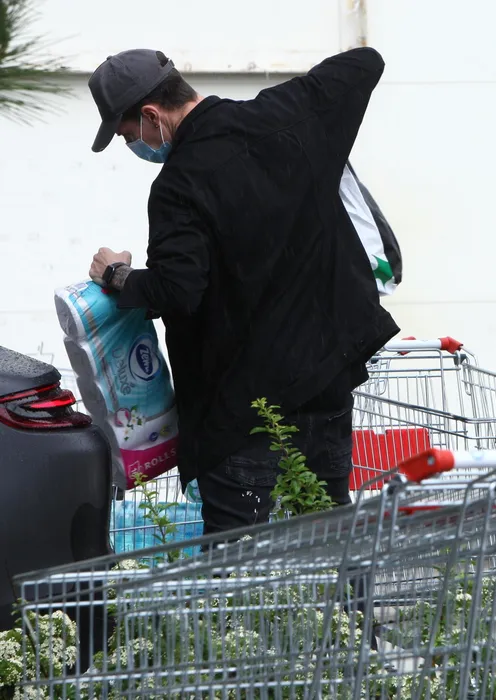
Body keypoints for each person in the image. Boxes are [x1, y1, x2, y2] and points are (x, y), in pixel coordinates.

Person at [85, 47, 399, 535]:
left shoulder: (178, 186)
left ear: (151, 115)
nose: (135, 146)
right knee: (329, 533)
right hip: (324, 378)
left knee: (235, 554)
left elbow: (176, 291)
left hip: (242, 409)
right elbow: (366, 62)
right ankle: (348, 590)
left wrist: (117, 275)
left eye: (129, 135)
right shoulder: (284, 114)